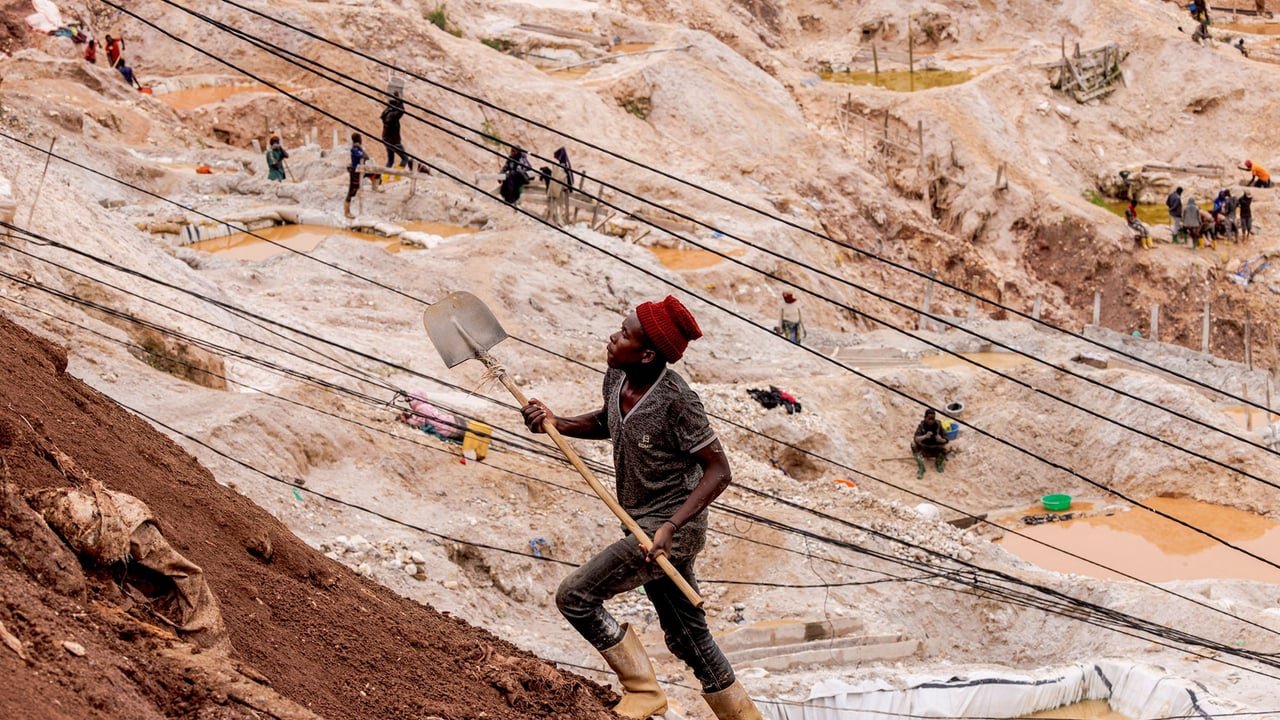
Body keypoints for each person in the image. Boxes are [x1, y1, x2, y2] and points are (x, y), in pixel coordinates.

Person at [520, 296, 764, 720]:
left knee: (575, 597)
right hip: (638, 522)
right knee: (687, 636)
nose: (613, 337)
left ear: (648, 353)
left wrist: (670, 526)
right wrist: (557, 423)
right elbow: (607, 422)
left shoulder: (678, 402)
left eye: (624, 334)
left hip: (669, 530)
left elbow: (719, 470)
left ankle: (643, 690)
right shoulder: (616, 375)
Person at [911, 409, 949, 479]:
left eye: (933, 419)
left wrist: (941, 440)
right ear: (925, 418)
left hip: (936, 447)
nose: (931, 421)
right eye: (929, 419)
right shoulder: (922, 426)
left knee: (946, 449)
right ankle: (921, 467)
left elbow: (946, 439)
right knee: (913, 444)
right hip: (924, 448)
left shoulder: (938, 425)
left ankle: (938, 464)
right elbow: (916, 438)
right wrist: (924, 436)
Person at [380, 90, 410, 170]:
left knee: (390, 160)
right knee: (405, 159)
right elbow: (401, 111)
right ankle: (397, 177)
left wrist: (396, 98)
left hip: (386, 139)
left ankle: (384, 178)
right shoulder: (393, 116)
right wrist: (399, 99)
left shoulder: (386, 112)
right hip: (394, 141)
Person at [344, 133, 369, 219]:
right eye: (360, 138)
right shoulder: (355, 149)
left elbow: (366, 157)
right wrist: (360, 147)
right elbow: (366, 156)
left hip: (359, 171)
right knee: (351, 191)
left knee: (375, 175)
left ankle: (375, 187)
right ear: (358, 140)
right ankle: (347, 212)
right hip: (355, 173)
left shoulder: (357, 149)